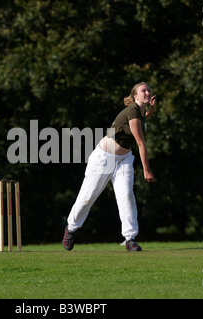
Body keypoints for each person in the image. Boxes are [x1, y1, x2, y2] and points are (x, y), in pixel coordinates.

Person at [62, 82, 156, 251]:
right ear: (135, 96)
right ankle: (71, 228)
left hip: (124, 159)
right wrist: (146, 169)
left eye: (149, 90)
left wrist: (150, 112)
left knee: (126, 195)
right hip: (103, 158)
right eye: (144, 90)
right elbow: (141, 144)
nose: (148, 93)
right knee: (87, 197)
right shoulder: (132, 111)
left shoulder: (140, 112)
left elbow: (140, 122)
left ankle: (130, 239)